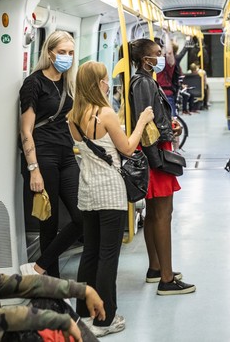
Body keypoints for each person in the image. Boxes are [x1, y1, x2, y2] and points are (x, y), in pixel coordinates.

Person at [68, 61, 154, 336]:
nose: (108, 84)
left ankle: (84, 314)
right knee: (109, 256)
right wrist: (141, 122)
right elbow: (127, 148)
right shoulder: (105, 114)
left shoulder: (72, 116)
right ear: (98, 84)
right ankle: (106, 319)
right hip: (111, 192)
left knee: (90, 254)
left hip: (88, 191)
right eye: (105, 80)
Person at [128, 38, 196, 295]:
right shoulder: (144, 82)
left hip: (153, 150)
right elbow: (145, 124)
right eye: (157, 55)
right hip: (155, 153)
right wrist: (157, 162)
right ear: (146, 60)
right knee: (163, 214)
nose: (161, 59)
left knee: (154, 213)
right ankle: (167, 279)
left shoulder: (145, 81)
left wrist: (169, 124)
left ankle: (156, 268)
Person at [19, 30, 83, 278]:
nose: (66, 57)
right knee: (49, 222)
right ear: (49, 53)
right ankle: (51, 284)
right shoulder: (34, 83)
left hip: (67, 154)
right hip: (43, 155)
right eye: (62, 52)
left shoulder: (69, 83)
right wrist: (33, 169)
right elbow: (26, 130)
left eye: (70, 53)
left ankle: (38, 268)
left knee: (81, 216)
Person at [154, 33, 177, 117]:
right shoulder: (148, 63)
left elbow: (169, 52)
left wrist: (167, 33)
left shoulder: (166, 63)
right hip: (153, 95)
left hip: (165, 94)